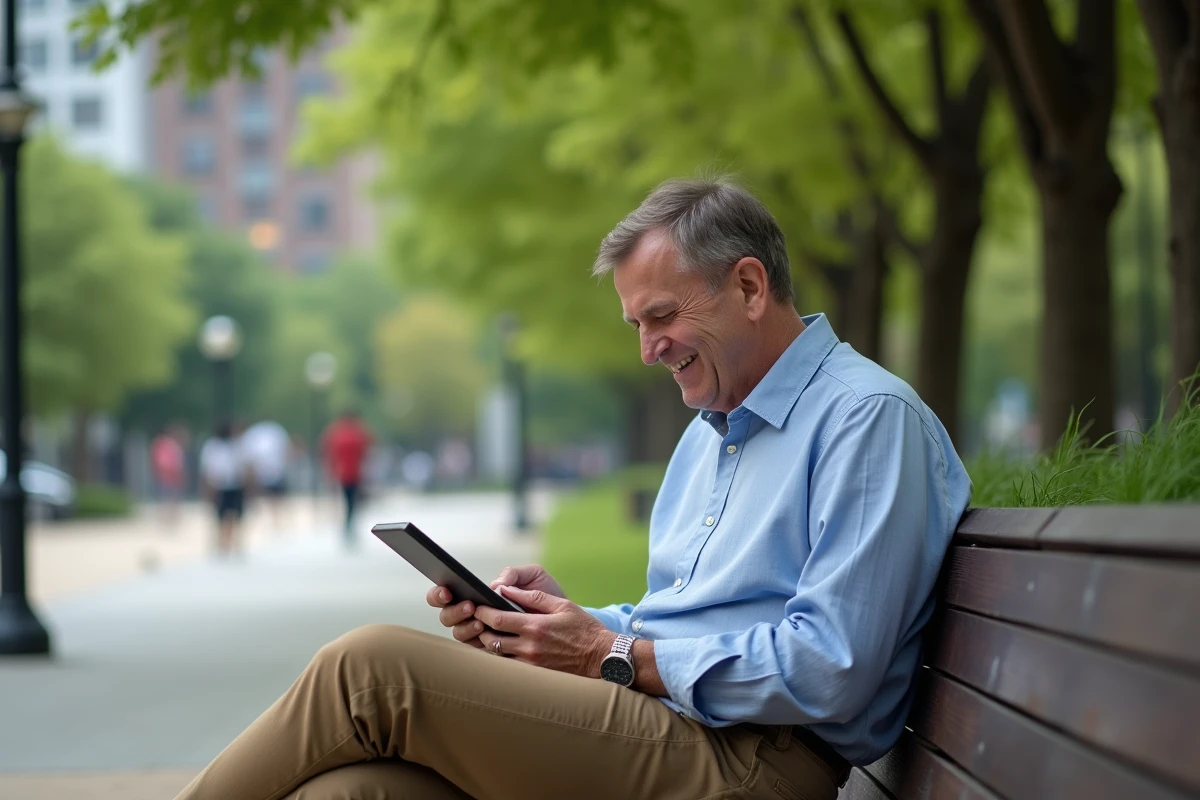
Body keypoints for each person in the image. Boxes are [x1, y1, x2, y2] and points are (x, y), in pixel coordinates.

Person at [173, 178, 971, 800]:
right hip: (678, 735)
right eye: (636, 325)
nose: (648, 350)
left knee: (369, 670)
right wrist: (567, 623)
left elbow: (831, 666)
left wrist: (609, 654)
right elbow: (683, 619)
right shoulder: (711, 434)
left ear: (751, 287)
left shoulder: (866, 421)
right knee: (351, 791)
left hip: (756, 768)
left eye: (661, 317)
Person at [198, 420, 249, 558]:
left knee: (236, 516)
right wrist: (208, 488)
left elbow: (245, 466)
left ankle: (233, 543)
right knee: (221, 517)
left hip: (235, 484)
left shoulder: (238, 445)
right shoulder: (213, 446)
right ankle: (223, 544)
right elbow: (207, 469)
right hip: (219, 485)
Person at [321, 409, 373, 545]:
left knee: (349, 502)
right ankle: (349, 527)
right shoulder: (358, 432)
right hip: (353, 473)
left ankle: (348, 527)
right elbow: (366, 453)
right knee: (352, 502)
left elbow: (329, 454)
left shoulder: (336, 433)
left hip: (344, 473)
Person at [241, 418, 293, 532]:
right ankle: (272, 519)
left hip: (273, 471)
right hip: (266, 471)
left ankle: (275, 520)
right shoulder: (267, 433)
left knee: (275, 496)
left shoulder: (263, 433)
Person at [149, 423, 187, 524]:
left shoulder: (167, 444)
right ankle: (168, 519)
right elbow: (164, 463)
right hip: (167, 476)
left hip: (167, 476)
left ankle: (169, 518)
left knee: (169, 498)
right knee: (167, 498)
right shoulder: (165, 444)